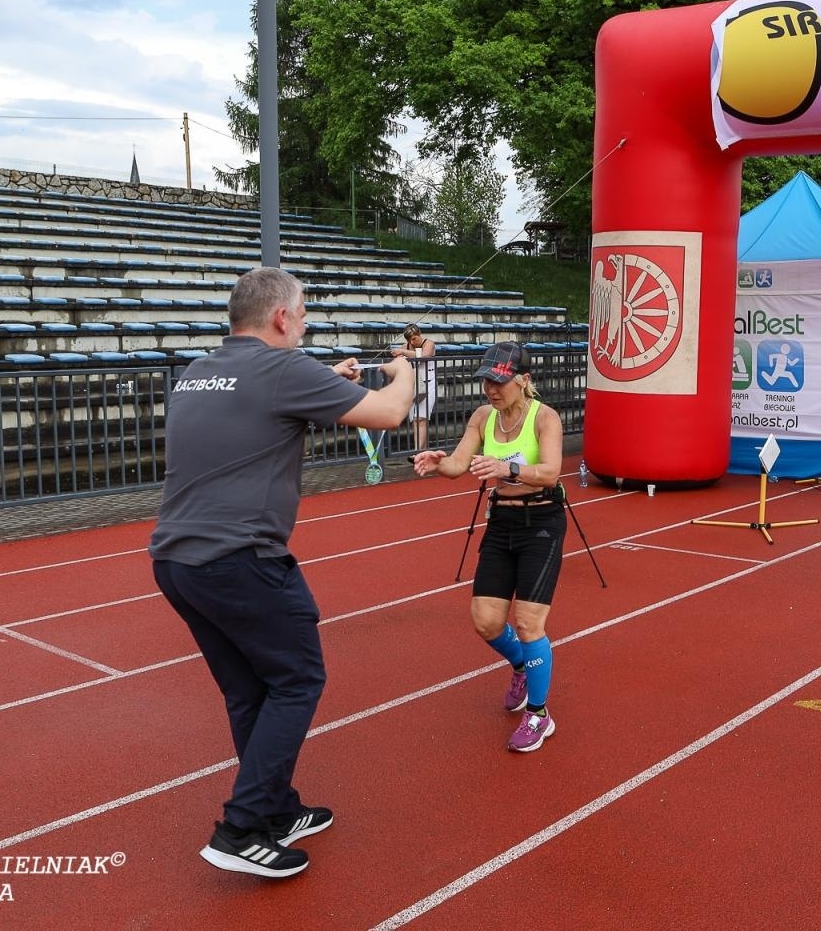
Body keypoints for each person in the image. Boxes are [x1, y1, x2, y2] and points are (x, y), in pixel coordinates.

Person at [150, 267, 416, 878]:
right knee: (297, 681)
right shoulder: (284, 371)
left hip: (176, 559)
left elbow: (259, 405)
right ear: (280, 317)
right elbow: (390, 415)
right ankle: (240, 827)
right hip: (241, 558)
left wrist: (328, 378)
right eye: (302, 315)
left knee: (249, 690)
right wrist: (404, 373)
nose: (304, 324)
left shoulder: (197, 373)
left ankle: (273, 808)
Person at [413, 341, 567, 753]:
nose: (492, 390)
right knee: (486, 621)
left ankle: (539, 713)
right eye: (487, 381)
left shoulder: (544, 418)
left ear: (524, 380)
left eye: (500, 382)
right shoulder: (482, 417)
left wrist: (507, 467)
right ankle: (520, 666)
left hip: (542, 523)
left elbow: (551, 472)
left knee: (530, 622)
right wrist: (437, 462)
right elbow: (459, 464)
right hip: (502, 523)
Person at [391, 324, 438, 451]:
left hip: (428, 384)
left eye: (414, 338)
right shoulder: (405, 347)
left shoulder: (429, 343)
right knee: (416, 421)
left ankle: (417, 452)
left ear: (419, 334)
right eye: (409, 340)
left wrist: (403, 352)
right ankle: (423, 450)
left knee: (421, 419)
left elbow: (424, 355)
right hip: (413, 385)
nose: (412, 342)